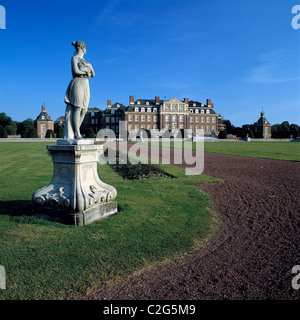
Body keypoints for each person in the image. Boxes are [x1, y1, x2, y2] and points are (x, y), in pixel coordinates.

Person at [63, 41, 95, 140]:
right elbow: (75, 71)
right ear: (81, 48)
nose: (86, 50)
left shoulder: (87, 62)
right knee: (77, 107)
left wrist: (90, 68)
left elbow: (93, 74)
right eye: (85, 48)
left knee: (84, 109)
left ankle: (75, 130)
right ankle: (77, 133)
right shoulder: (74, 58)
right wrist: (86, 71)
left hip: (86, 83)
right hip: (77, 83)